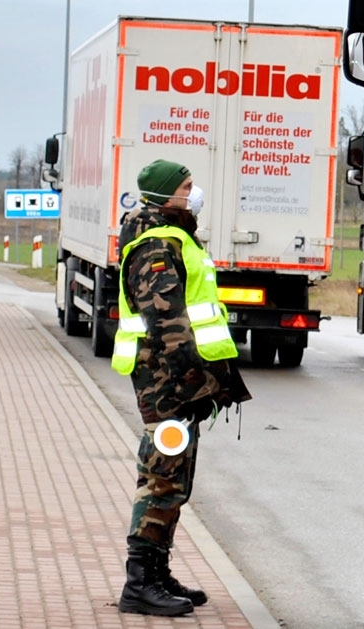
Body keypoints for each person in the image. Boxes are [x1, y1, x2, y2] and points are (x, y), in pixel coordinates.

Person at [112, 159, 251, 616]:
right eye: (187, 186)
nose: (194, 193)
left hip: (173, 378)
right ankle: (139, 583)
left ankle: (156, 571)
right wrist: (193, 379)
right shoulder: (156, 245)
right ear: (164, 195)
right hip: (165, 379)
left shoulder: (173, 236)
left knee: (175, 475)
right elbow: (167, 321)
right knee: (161, 475)